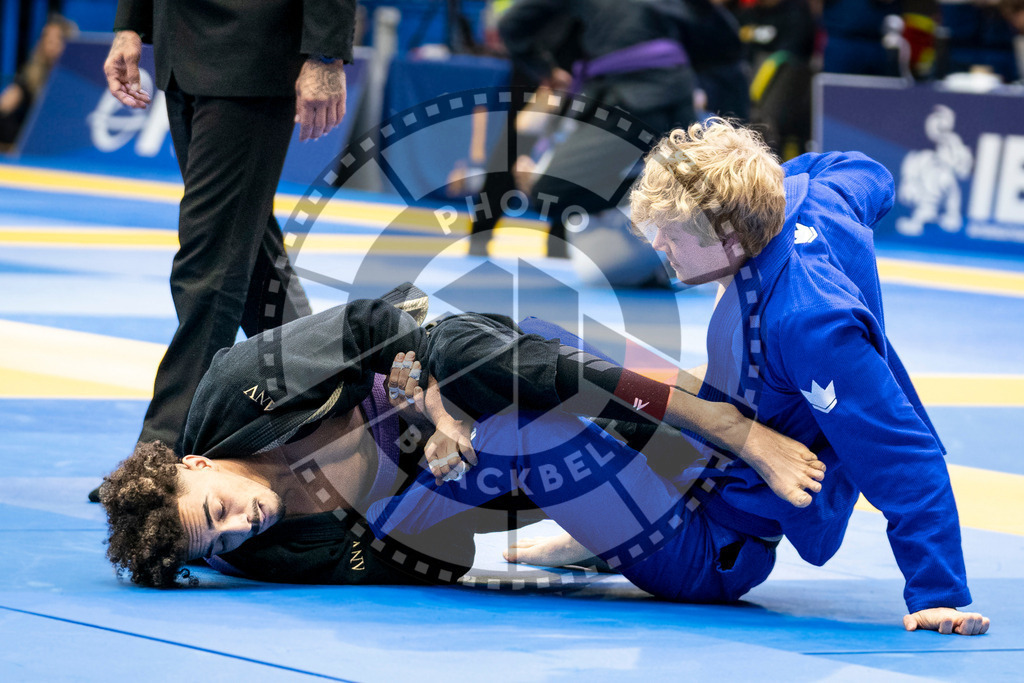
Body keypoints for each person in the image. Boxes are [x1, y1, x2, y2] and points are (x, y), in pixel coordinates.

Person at [504, 118, 985, 635]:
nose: (657, 246)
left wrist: (940, 593)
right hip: (694, 457)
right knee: (539, 346)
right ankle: (606, 535)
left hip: (708, 542)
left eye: (671, 235)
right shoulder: (808, 196)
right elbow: (867, 170)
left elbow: (901, 453)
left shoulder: (808, 324)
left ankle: (612, 536)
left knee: (520, 415)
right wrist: (743, 181)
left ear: (729, 235)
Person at [99, 284, 823, 588]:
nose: (242, 523)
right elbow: (430, 559)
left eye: (219, 507)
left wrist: (437, 416)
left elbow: (387, 324)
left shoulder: (238, 385)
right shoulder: (272, 555)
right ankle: (678, 433)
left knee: (470, 352)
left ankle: (708, 416)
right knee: (526, 431)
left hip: (435, 380)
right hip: (426, 494)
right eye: (222, 540)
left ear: (194, 460)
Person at [91, 0, 352, 502]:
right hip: (182, 47)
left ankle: (161, 455)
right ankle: (337, 404)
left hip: (251, 49)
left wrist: (325, 54)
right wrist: (132, 24)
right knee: (247, 250)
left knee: (209, 260)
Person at [0, 15, 77, 149]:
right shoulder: (31, 74)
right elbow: (6, 102)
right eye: (45, 38)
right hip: (27, 138)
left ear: (68, 43)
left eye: (55, 39)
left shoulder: (77, 79)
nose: (48, 44)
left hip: (59, 137)